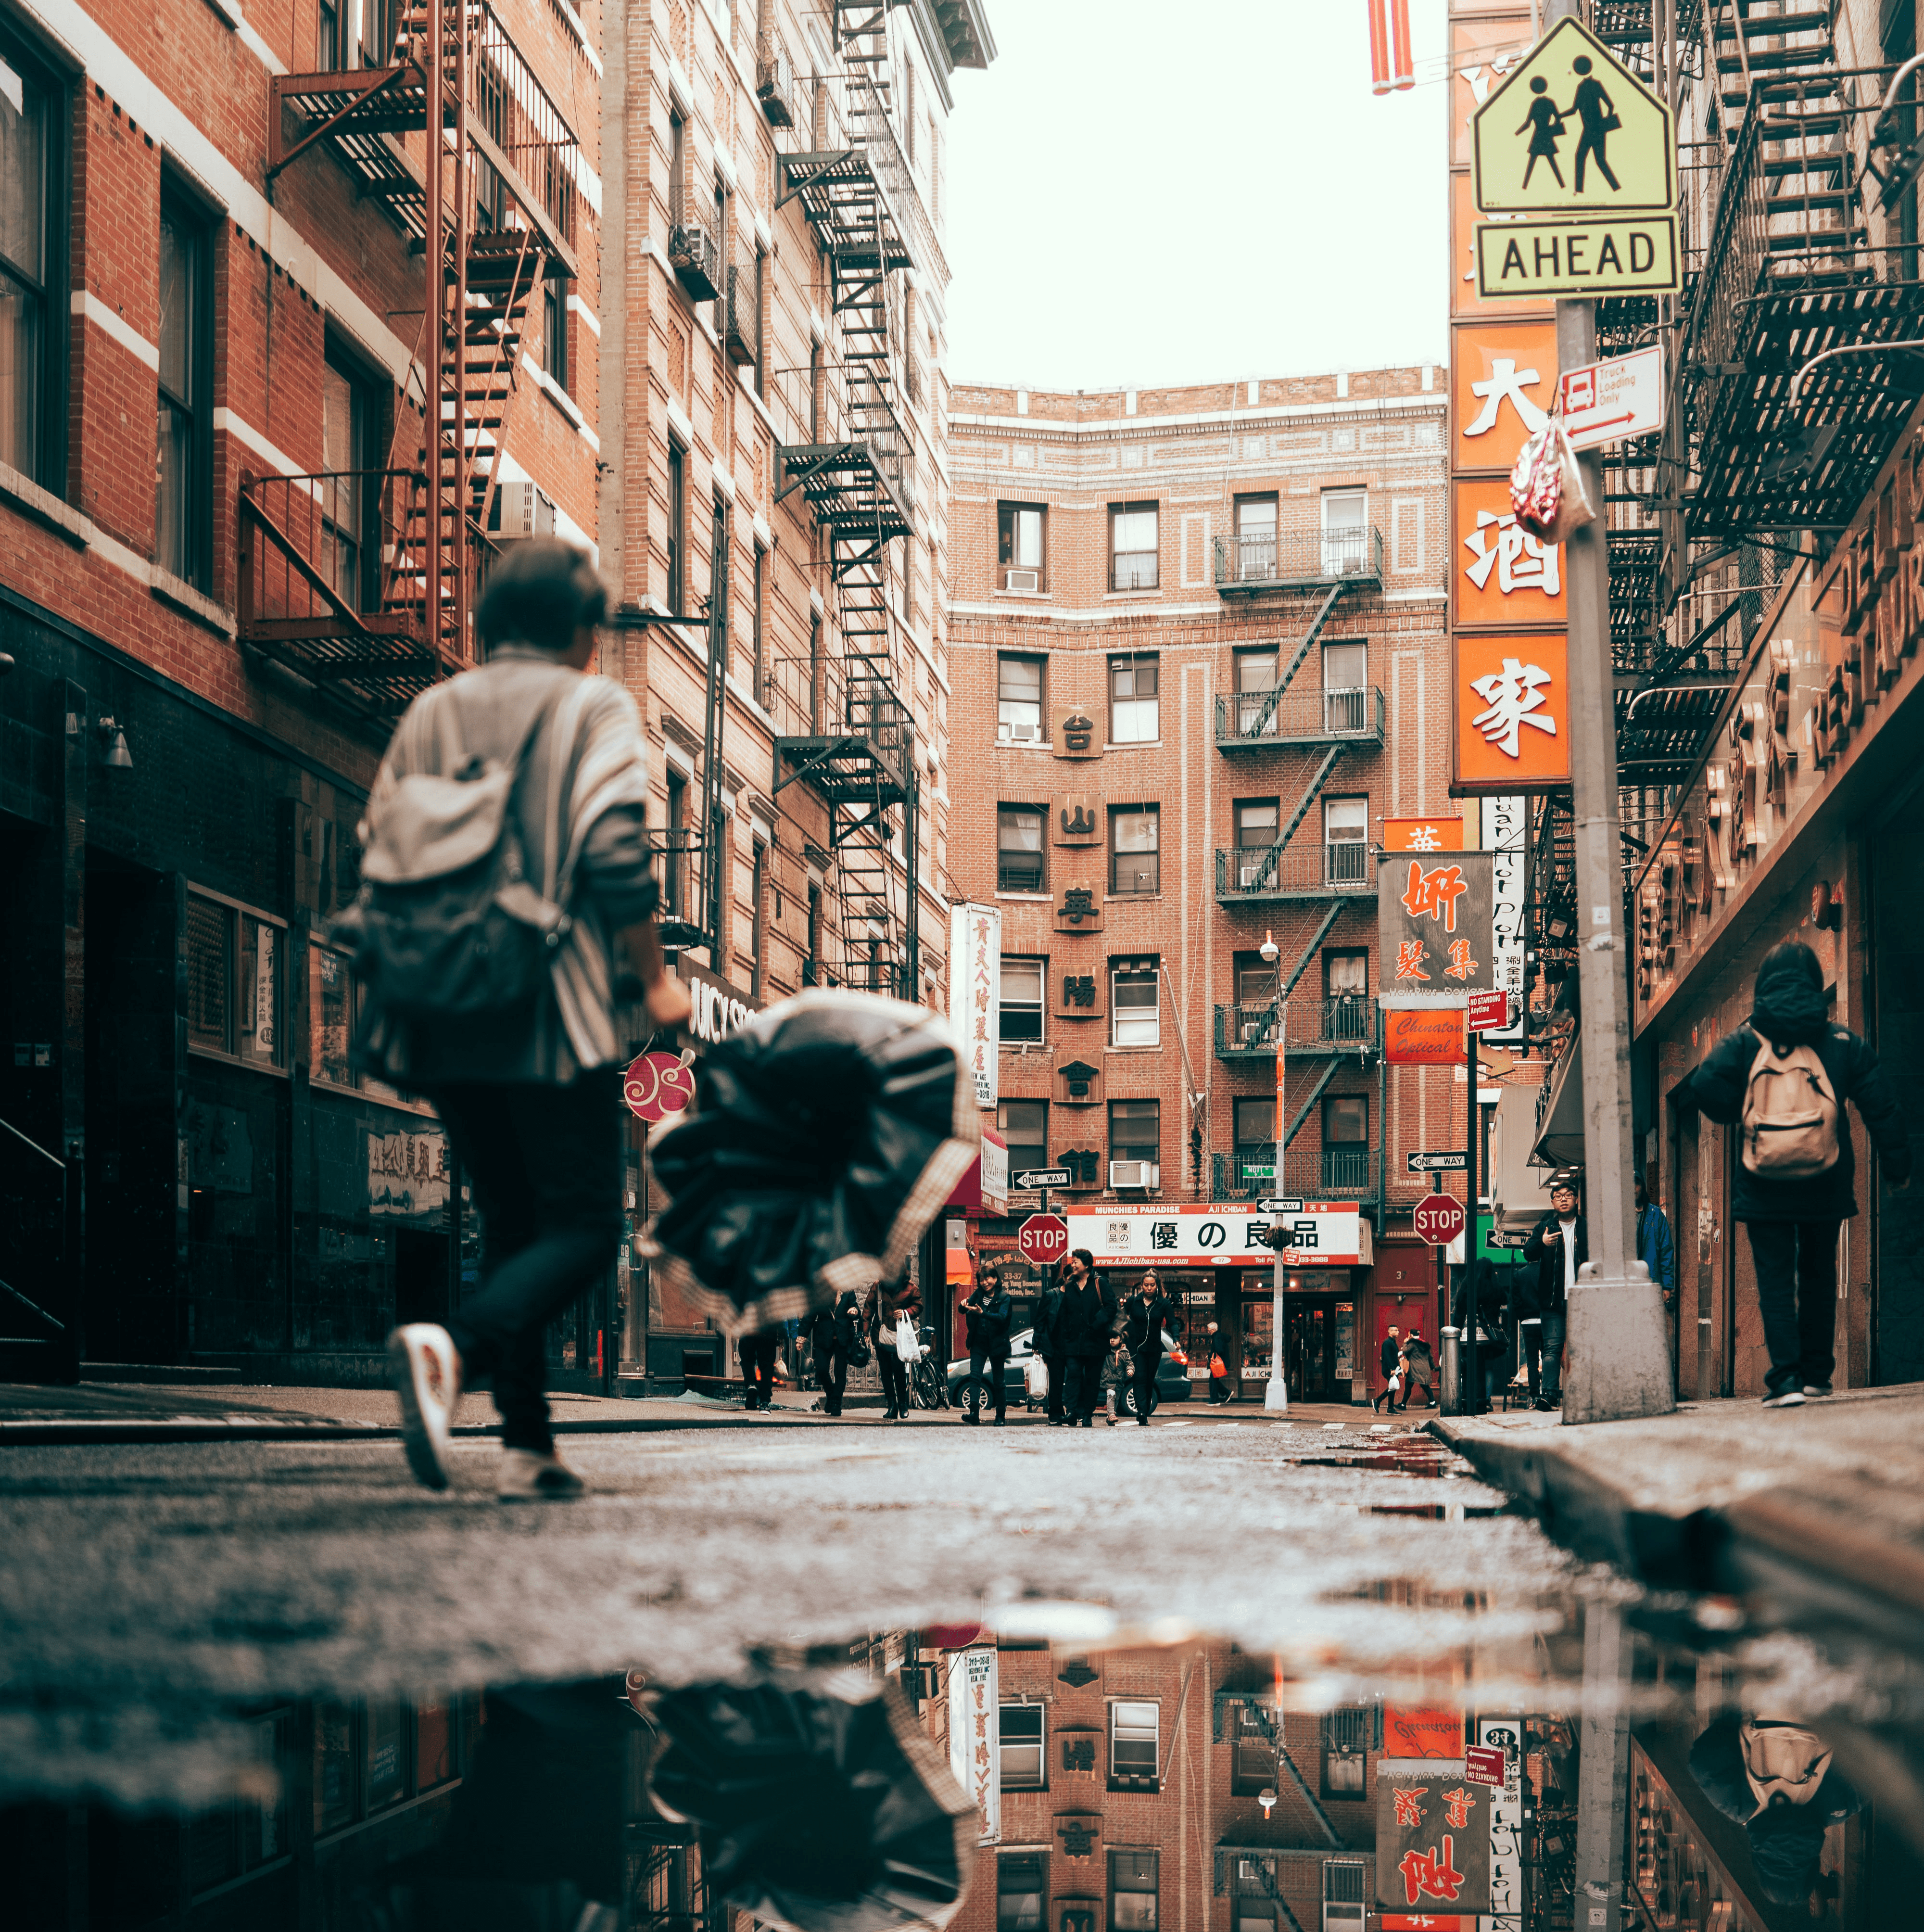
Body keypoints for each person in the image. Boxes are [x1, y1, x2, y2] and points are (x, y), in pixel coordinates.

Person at [379, 540, 692, 1502]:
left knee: (513, 1224)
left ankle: (526, 1443)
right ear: (582, 633)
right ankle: (455, 1350)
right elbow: (610, 848)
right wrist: (653, 978)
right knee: (587, 1227)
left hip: (439, 1009)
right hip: (546, 1009)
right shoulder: (589, 705)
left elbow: (387, 849)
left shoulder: (434, 709)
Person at [1682, 940, 1910, 1406]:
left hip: (1762, 1180)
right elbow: (1881, 1106)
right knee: (1818, 1273)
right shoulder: (1841, 1042)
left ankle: (1784, 1380)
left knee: (1775, 1279)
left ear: (1763, 985)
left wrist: (1736, 1114)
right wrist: (1897, 1166)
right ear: (1811, 981)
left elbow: (1703, 1084)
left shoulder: (1746, 1040)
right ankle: (1816, 1374)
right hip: (1824, 1179)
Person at [1053, 1249, 1116, 1427]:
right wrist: (1064, 1336)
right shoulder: (1071, 1286)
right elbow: (1064, 1313)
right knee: (1073, 1374)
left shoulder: (1100, 1283)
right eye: (1072, 1262)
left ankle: (1087, 1414)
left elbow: (1111, 1307)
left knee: (1092, 1379)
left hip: (1096, 1341)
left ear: (1087, 1265)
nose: (1072, 1265)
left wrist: (1095, 1324)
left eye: (1076, 1262)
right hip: (1073, 1342)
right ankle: (1072, 1411)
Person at [1636, 1176, 1678, 1390]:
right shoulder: (1618, 1215)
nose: (1633, 1189)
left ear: (1643, 1187)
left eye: (1637, 1183)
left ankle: (1655, 1384)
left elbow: (1666, 1251)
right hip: (1626, 1287)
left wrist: (1668, 1285)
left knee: (1652, 1335)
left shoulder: (1655, 1215)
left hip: (1651, 1284)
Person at [959, 1265, 1013, 1425]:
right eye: (982, 1280)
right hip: (979, 1343)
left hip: (998, 1344)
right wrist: (963, 1305)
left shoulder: (1005, 1297)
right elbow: (964, 1310)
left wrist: (984, 1314)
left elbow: (1003, 1317)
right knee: (975, 1378)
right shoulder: (978, 1295)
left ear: (996, 1279)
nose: (984, 1282)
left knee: (999, 1381)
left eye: (988, 1278)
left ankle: (1001, 1417)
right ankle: (974, 1414)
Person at [1121, 1270, 1176, 1426]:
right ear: (1141, 1286)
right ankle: (1142, 1413)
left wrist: (1177, 1338)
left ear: (1157, 1286)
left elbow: (1172, 1323)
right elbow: (1122, 1319)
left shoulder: (1163, 1303)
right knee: (1139, 1378)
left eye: (1152, 1285)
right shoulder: (1133, 1301)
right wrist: (1122, 1334)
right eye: (1146, 1285)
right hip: (1136, 1349)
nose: (1149, 1288)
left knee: (1149, 1380)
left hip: (1154, 1349)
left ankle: (1144, 1409)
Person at [1452, 1261, 1507, 1412]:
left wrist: (1454, 1333)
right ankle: (1485, 1399)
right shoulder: (1494, 1287)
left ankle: (1467, 1397)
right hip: (1488, 1336)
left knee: (1468, 1366)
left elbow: (1458, 1314)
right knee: (1487, 1366)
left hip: (1467, 1335)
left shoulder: (1467, 1286)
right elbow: (1505, 1300)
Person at [1566, 54, 1621, 194]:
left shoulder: (1583, 87)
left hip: (1591, 129)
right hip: (1596, 128)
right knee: (1599, 160)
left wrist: (1560, 115)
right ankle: (1615, 187)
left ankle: (1580, 190)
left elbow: (1574, 110)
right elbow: (1610, 106)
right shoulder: (1593, 85)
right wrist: (1606, 123)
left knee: (1583, 157)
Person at [869, 1274, 921, 1421]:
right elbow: (868, 1308)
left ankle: (902, 1404)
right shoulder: (878, 1287)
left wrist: (907, 1312)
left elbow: (918, 1305)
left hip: (900, 1335)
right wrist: (865, 1332)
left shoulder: (910, 1288)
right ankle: (892, 1406)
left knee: (898, 1369)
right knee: (885, 1371)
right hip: (881, 1334)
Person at [809, 1287, 862, 1417]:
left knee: (840, 1372)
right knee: (821, 1369)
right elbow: (811, 1314)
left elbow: (856, 1308)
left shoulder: (848, 1291)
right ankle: (830, 1392)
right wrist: (801, 1336)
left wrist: (854, 1311)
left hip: (842, 1338)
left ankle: (836, 1402)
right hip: (824, 1337)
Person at [1516, 74, 1566, 191]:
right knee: (1551, 161)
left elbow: (1528, 124)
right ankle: (1562, 185)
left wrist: (1517, 133)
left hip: (1538, 135)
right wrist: (1553, 127)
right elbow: (1558, 117)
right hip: (1547, 134)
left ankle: (1524, 186)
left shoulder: (1535, 103)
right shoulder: (1550, 102)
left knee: (1532, 162)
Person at [1034, 1264, 1068, 1425]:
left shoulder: (1079, 1297)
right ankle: (1055, 1414)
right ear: (1065, 1278)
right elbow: (1040, 1321)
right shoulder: (1051, 1296)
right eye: (1071, 1279)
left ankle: (1073, 1411)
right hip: (1054, 1347)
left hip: (1073, 1346)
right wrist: (1036, 1344)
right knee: (1056, 1381)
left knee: (1076, 1379)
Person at [739, 1328, 780, 1411]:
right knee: (767, 1366)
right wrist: (784, 1335)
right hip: (768, 1330)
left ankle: (751, 1385)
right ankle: (764, 1401)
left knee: (747, 1361)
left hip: (748, 1329)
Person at [1401, 1325, 1436, 1411]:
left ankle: (1403, 1405)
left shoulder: (1412, 1344)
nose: (1408, 1336)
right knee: (1425, 1385)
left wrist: (1405, 1343)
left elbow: (1405, 1351)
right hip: (1424, 1369)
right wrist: (1433, 1367)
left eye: (1409, 1335)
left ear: (1411, 1335)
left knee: (1409, 1385)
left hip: (1414, 1369)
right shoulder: (1425, 1345)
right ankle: (1432, 1402)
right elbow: (1430, 1357)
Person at [1100, 1332, 1130, 1426]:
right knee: (1111, 1395)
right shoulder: (1106, 1350)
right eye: (1110, 1338)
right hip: (1108, 1379)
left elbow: (1129, 1363)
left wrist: (1130, 1369)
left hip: (1119, 1380)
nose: (1112, 1340)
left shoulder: (1125, 1352)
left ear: (1121, 1340)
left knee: (1116, 1399)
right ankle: (1112, 1414)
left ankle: (1110, 1417)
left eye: (1115, 1338)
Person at [1372, 1324, 1403, 1415]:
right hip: (1389, 1370)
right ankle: (1378, 1401)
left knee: (1393, 1388)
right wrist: (1392, 1369)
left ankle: (1390, 1408)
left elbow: (1394, 1358)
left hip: (1393, 1369)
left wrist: (1400, 1370)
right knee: (1392, 1387)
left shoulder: (1393, 1342)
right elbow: (1387, 1357)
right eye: (1395, 1330)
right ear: (1389, 1332)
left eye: (1398, 1330)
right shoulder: (1387, 1343)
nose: (1398, 1332)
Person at [1204, 1321, 1233, 1404]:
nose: (1208, 1331)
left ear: (1213, 1330)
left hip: (1217, 1364)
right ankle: (1227, 1393)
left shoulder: (1217, 1337)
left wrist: (1210, 1355)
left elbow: (1219, 1350)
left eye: (1209, 1329)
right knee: (1214, 1381)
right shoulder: (1218, 1336)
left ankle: (1215, 1401)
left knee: (1213, 1381)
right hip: (1220, 1363)